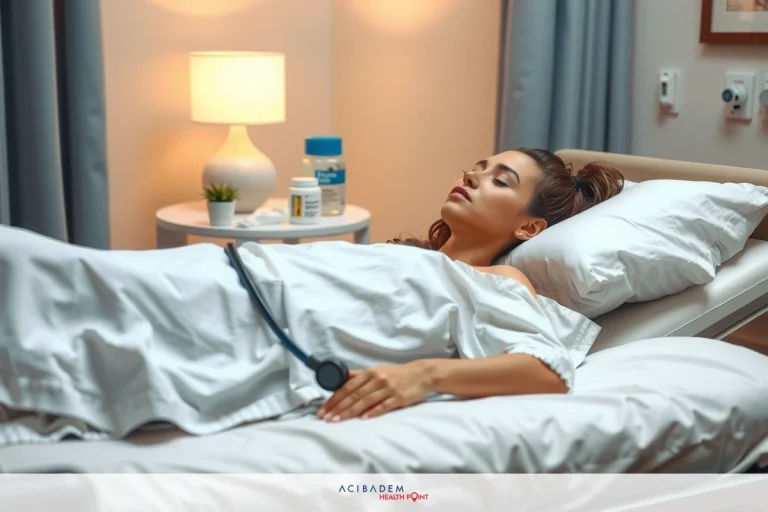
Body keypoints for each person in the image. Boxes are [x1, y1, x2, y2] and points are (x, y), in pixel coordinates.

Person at [0, 147, 624, 444]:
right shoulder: (407, 257)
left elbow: (547, 370)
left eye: (499, 179)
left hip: (242, 318)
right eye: (478, 166)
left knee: (27, 267)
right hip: (229, 278)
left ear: (529, 229)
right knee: (42, 274)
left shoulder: (501, 281)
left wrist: (420, 377)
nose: (471, 175)